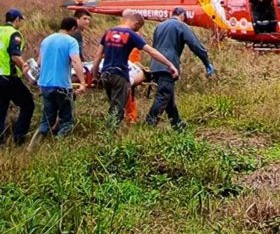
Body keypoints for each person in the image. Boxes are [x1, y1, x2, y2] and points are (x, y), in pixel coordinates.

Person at [91, 10, 178, 126]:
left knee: (113, 105)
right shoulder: (131, 34)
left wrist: (94, 74)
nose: (137, 31)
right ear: (136, 22)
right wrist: (169, 64)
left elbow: (98, 55)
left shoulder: (109, 32)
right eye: (138, 27)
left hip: (105, 74)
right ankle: (108, 137)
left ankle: (112, 133)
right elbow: (151, 51)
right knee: (117, 110)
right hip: (119, 75)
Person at [145, 7, 214, 129]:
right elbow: (195, 45)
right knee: (163, 96)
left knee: (168, 97)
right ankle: (148, 125)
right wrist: (206, 62)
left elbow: (155, 47)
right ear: (182, 15)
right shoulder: (180, 25)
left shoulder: (159, 26)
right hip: (168, 66)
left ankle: (177, 125)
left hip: (155, 65)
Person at [31, 16, 87, 145]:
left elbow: (39, 63)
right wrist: (83, 82)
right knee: (66, 120)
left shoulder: (46, 40)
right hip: (62, 85)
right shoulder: (71, 41)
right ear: (73, 28)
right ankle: (60, 148)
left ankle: (32, 147)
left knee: (46, 121)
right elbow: (76, 61)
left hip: (45, 85)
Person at [0, 9, 35, 145]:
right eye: (20, 20)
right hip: (9, 77)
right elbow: (15, 56)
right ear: (16, 20)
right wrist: (25, 70)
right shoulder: (14, 34)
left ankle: (1, 143)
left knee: (1, 109)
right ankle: (19, 138)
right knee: (28, 104)